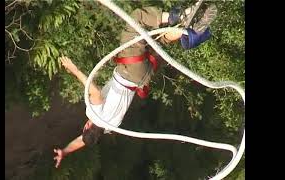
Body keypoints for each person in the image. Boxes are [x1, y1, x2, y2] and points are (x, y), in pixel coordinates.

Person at [53, 2, 217, 168]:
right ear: (87, 125)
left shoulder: (110, 127)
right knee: (137, 18)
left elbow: (85, 139)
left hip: (142, 78)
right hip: (129, 70)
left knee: (158, 41)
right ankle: (180, 17)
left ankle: (191, 33)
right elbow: (94, 92)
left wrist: (65, 151)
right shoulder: (93, 114)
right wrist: (74, 70)